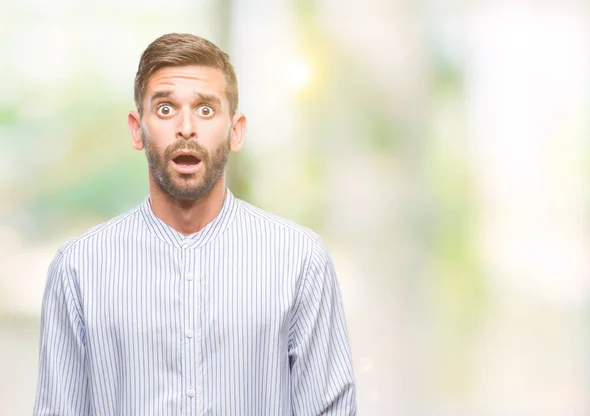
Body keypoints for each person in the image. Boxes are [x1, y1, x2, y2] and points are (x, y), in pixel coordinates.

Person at [34, 33, 356, 415]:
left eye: (205, 110)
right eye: (166, 109)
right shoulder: (78, 269)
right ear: (138, 129)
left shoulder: (301, 260)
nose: (186, 128)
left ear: (236, 130)